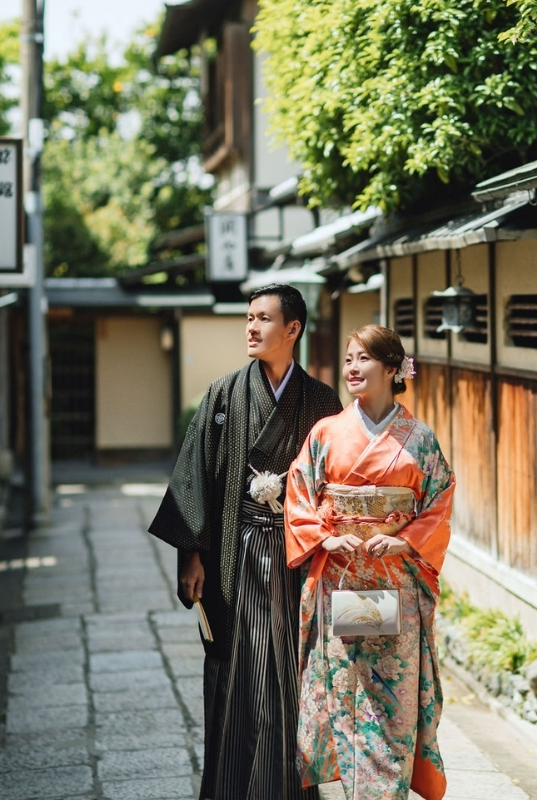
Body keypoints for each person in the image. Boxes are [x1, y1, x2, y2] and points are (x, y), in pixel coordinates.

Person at [148, 284, 343, 800]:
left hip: (298, 556)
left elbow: (337, 482)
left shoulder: (322, 401)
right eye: (248, 318)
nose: (251, 328)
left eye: (263, 319)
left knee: (292, 672)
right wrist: (190, 554)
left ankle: (291, 789)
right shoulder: (223, 395)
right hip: (235, 554)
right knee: (235, 671)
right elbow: (195, 476)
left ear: (293, 329)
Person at [284, 324, 455, 800]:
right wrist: (323, 538)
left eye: (363, 359)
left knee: (391, 698)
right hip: (341, 580)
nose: (352, 369)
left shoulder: (419, 439)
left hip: (393, 583)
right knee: (345, 689)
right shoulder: (326, 433)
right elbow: (298, 494)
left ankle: (385, 792)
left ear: (393, 369)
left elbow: (439, 500)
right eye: (348, 359)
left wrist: (406, 542)